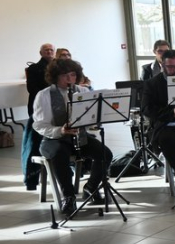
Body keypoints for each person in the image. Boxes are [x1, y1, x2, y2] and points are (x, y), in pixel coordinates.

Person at [33, 58, 113, 213]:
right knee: (59, 153)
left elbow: (90, 117)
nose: (70, 79)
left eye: (73, 75)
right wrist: (60, 131)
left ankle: (91, 188)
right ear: (55, 76)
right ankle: (68, 197)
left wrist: (94, 121)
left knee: (105, 153)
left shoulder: (83, 91)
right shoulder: (44, 95)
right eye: (65, 76)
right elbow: (39, 125)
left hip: (79, 137)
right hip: (53, 139)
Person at [142, 49, 175, 195]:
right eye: (170, 67)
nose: (174, 70)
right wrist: (172, 112)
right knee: (168, 141)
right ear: (162, 65)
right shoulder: (152, 84)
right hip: (166, 126)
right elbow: (146, 109)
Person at [22, 43, 55, 191]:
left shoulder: (58, 67)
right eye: (46, 50)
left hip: (56, 107)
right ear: (41, 53)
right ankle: (32, 178)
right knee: (35, 142)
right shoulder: (34, 68)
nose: (49, 52)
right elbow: (32, 89)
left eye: (51, 50)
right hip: (40, 108)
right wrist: (46, 98)